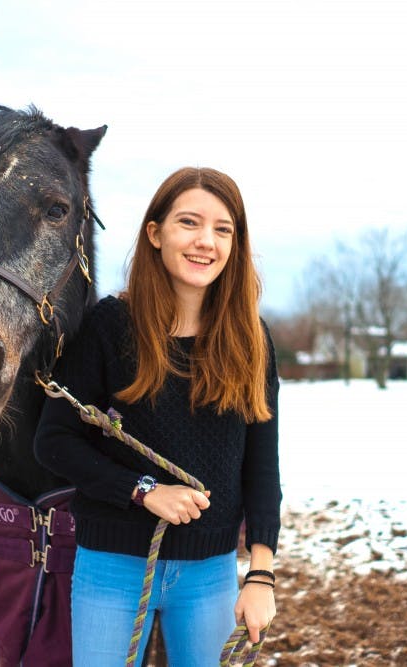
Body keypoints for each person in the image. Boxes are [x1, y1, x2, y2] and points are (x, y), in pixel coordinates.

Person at [34, 166, 281, 665]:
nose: (205, 242)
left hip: (209, 573)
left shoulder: (250, 341)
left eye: (222, 229)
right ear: (155, 233)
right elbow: (55, 441)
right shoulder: (110, 326)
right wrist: (145, 492)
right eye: (189, 223)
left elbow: (262, 469)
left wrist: (260, 575)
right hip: (112, 567)